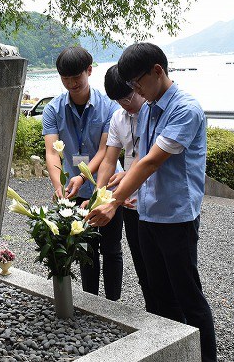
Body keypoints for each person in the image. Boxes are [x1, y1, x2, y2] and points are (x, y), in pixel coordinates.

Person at [87, 42, 217, 362]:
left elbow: (151, 162)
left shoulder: (185, 108)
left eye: (137, 83)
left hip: (176, 216)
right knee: (157, 296)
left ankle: (207, 357)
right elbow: (141, 159)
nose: (136, 91)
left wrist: (113, 202)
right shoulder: (148, 108)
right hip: (147, 213)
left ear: (157, 72)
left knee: (188, 297)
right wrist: (119, 179)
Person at [41, 46, 122, 300]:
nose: (71, 84)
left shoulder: (108, 107)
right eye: (65, 78)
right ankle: (91, 301)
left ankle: (113, 304)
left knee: (111, 248)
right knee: (85, 247)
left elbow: (106, 151)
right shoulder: (53, 110)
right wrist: (58, 189)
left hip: (105, 186)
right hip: (72, 189)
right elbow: (53, 153)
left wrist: (83, 175)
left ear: (89, 70)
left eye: (76, 77)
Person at [98, 65, 153, 310]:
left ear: (138, 86)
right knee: (142, 268)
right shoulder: (119, 117)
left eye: (128, 96)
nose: (125, 104)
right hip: (130, 204)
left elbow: (151, 159)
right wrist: (100, 195)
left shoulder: (154, 113)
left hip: (154, 202)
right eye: (118, 100)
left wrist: (117, 196)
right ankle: (154, 316)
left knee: (160, 271)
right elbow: (110, 160)